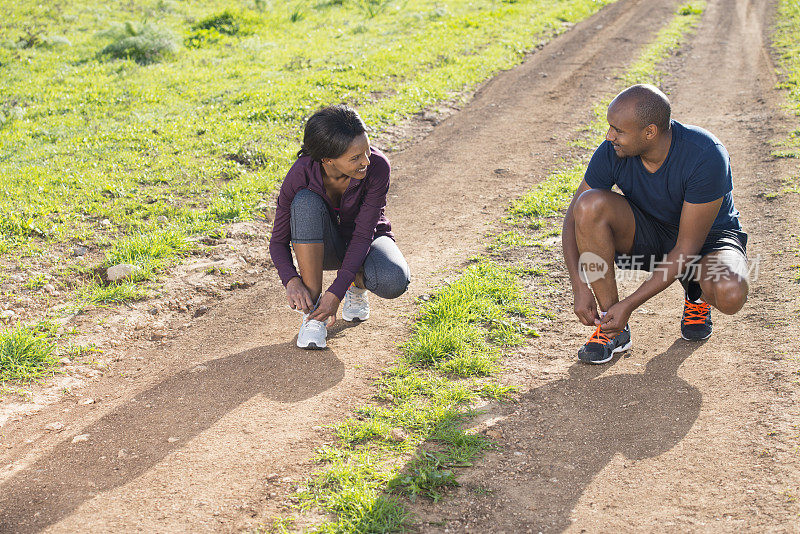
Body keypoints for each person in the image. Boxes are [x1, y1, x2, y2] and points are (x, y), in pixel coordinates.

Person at [561, 84, 749, 364]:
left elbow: (687, 247)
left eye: (618, 130)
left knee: (730, 292)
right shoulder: (611, 151)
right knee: (588, 206)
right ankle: (613, 328)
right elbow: (572, 219)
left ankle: (696, 293)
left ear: (650, 132)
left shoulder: (706, 154)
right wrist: (579, 286)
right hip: (651, 232)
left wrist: (631, 304)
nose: (609, 136)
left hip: (707, 241)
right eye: (610, 127)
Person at [269, 104, 411, 349]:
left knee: (393, 279)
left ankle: (356, 285)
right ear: (327, 159)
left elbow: (363, 235)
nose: (366, 161)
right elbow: (278, 241)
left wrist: (337, 291)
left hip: (366, 243)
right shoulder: (301, 174)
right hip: (322, 247)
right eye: (355, 158)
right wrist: (290, 279)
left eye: (366, 150)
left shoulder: (378, 167)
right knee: (305, 201)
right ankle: (313, 316)